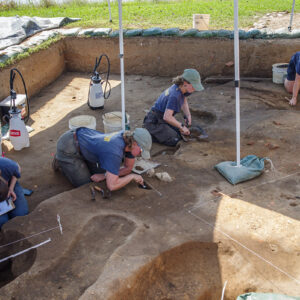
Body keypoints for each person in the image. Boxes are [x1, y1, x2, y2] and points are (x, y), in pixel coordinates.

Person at [53, 127, 152, 191]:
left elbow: (128, 168)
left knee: (103, 173)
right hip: (69, 146)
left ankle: (84, 160)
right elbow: (112, 186)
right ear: (134, 143)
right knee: (85, 185)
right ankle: (61, 161)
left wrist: (104, 175)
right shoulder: (114, 152)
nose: (140, 154)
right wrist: (132, 177)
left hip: (86, 142)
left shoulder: (128, 140)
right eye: (141, 150)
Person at [143, 69, 204, 146]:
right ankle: (150, 134)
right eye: (193, 86)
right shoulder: (175, 95)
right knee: (175, 140)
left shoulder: (182, 88)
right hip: (154, 121)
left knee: (180, 132)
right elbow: (167, 117)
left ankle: (160, 131)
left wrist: (187, 115)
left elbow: (184, 100)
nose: (194, 89)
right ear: (185, 83)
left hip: (162, 117)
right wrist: (181, 126)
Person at [0, 157, 28, 228]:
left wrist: (11, 188)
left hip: (10, 184)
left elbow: (17, 167)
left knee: (21, 215)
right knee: (2, 223)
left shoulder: (6, 165)